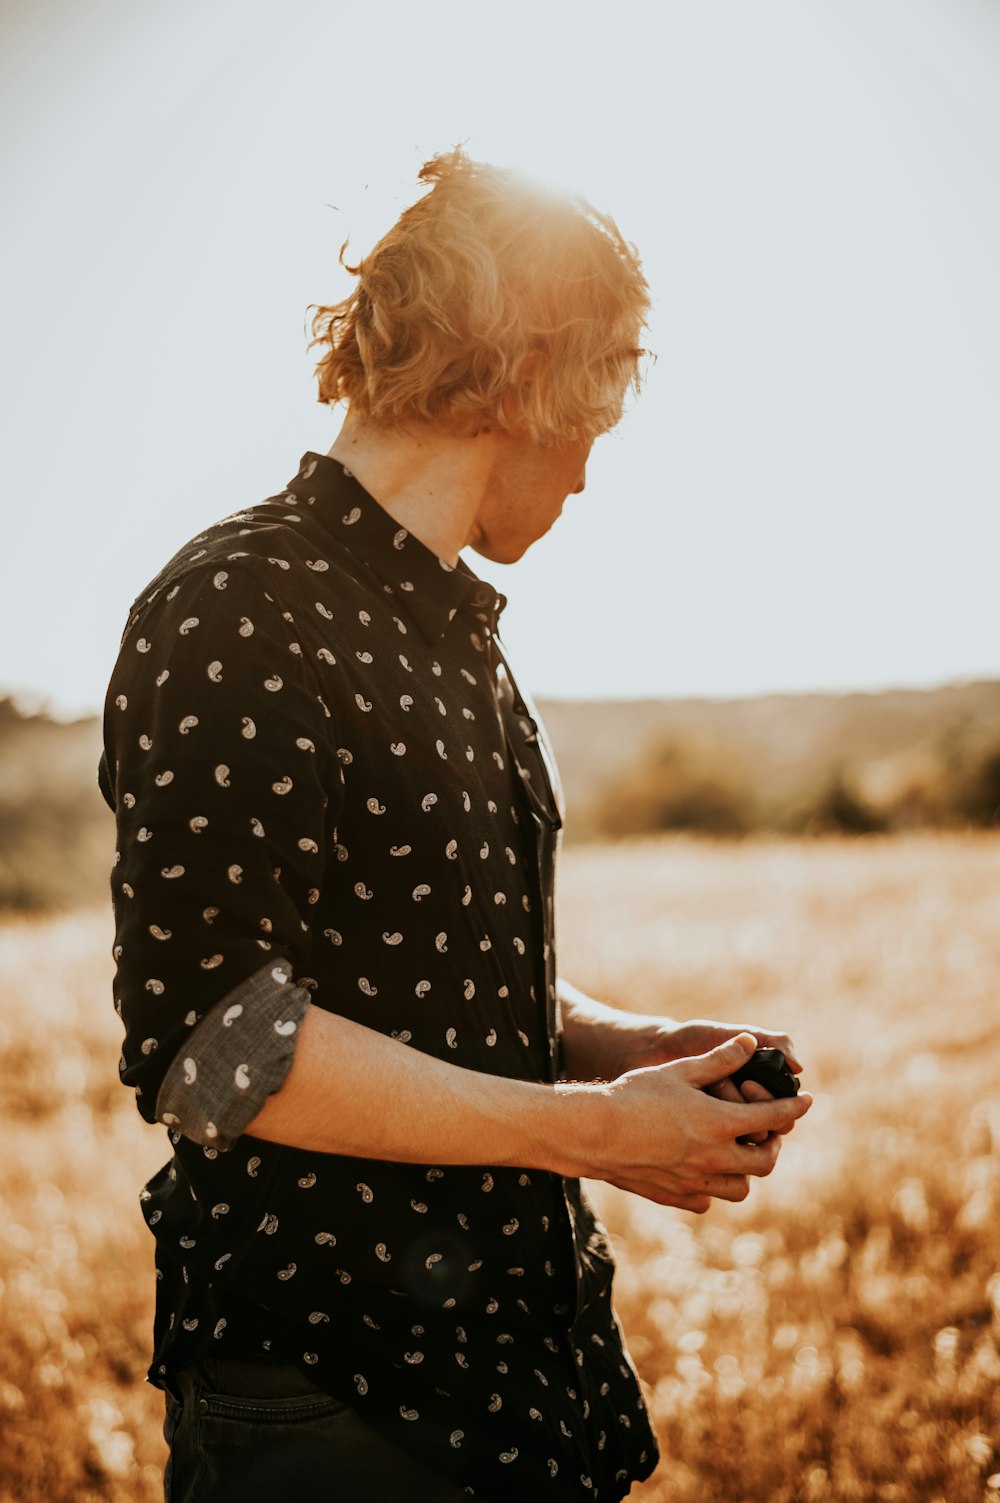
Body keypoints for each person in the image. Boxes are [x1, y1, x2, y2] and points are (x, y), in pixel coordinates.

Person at [99, 148, 812, 1503]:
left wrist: (620, 1044)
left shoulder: (446, 623)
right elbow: (213, 1047)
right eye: (594, 422)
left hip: (516, 1373)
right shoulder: (236, 607)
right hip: (334, 1398)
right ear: (534, 380)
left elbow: (420, 973)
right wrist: (597, 1129)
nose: (590, 478)